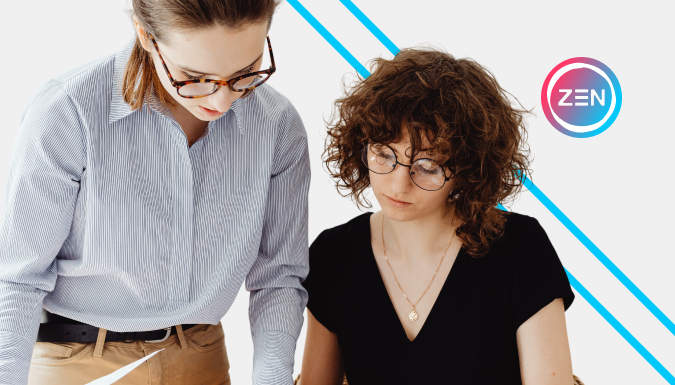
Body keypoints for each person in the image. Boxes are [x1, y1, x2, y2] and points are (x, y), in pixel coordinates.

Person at [0, 0, 309, 384]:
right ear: (146, 36)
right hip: (76, 362)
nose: (222, 100)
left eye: (245, 73)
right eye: (195, 77)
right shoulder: (69, 112)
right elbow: (18, 279)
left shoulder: (277, 125)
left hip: (202, 358)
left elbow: (278, 278)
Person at [298, 47, 576, 385]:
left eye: (427, 167)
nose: (398, 184)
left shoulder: (520, 249)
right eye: (384, 154)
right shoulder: (335, 254)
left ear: (467, 169)